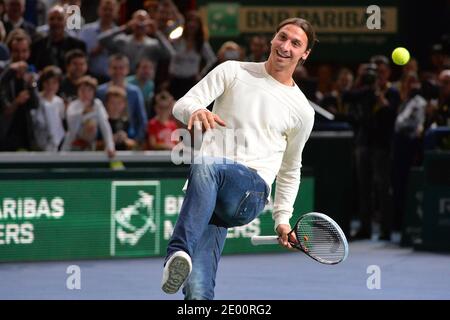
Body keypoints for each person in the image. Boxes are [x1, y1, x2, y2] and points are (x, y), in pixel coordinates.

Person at [161, 17, 316, 300]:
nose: (286, 46)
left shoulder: (303, 111)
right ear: (272, 39)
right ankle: (182, 264)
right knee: (197, 291)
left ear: (304, 54)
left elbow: (291, 168)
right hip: (208, 193)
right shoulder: (233, 71)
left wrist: (282, 218)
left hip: (250, 191)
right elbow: (183, 103)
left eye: (296, 43)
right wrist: (194, 112)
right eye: (282, 37)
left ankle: (178, 251)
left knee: (207, 164)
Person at [62, 75, 115, 157]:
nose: (85, 93)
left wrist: (110, 146)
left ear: (94, 92)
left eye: (89, 90)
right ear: (77, 91)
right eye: (82, 90)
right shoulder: (73, 105)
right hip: (70, 148)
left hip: (91, 149)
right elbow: (72, 128)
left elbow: (105, 126)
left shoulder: (97, 104)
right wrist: (82, 112)